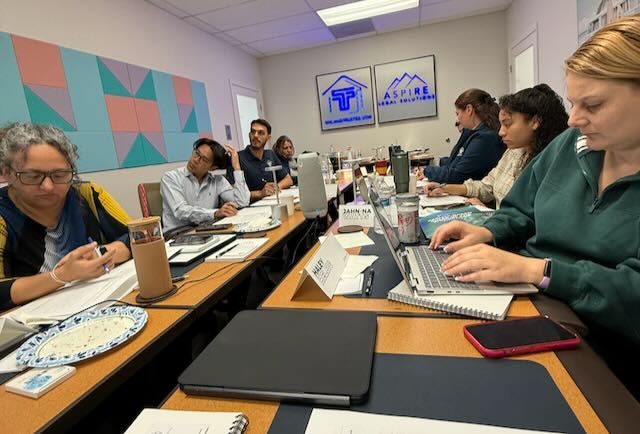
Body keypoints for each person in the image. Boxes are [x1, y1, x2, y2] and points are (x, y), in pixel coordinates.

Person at [430, 16, 640, 397]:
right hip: (533, 300)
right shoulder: (569, 146)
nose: (574, 119)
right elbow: (520, 210)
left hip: (603, 348)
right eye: (574, 103)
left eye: (591, 104)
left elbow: (632, 297)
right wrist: (487, 231)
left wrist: (539, 270)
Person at [0, 123, 131, 312]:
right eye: (32, 176)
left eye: (59, 175)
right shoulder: (4, 216)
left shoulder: (87, 193)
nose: (48, 186)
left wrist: (100, 255)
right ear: (7, 173)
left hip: (103, 304)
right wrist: (60, 276)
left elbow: (138, 237)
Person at [426, 84, 568, 207]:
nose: (501, 132)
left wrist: (490, 215)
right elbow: (487, 186)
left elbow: (529, 224)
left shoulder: (551, 164)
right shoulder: (513, 152)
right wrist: (446, 188)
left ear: (535, 122)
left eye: (507, 124)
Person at [416, 89, 505, 183]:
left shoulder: (484, 138)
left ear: (469, 109)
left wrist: (427, 170)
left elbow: (456, 175)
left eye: (458, 114)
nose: (458, 119)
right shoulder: (473, 134)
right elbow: (453, 164)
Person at [161, 138, 250, 232]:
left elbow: (242, 202)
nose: (195, 160)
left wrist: (236, 167)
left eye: (204, 159)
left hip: (206, 230)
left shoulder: (217, 181)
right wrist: (215, 213)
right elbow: (181, 211)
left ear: (212, 168)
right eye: (196, 153)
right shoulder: (170, 178)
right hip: (178, 233)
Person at [238, 119, 293, 202]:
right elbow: (234, 195)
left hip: (272, 202)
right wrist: (260, 193)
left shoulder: (270, 154)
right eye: (253, 132)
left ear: (268, 137)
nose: (256, 135)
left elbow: (288, 179)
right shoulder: (238, 157)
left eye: (261, 133)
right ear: (249, 135)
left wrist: (276, 187)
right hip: (251, 208)